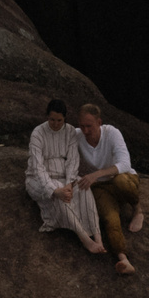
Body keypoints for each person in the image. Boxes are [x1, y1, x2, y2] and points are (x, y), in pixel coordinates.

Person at [24, 97, 104, 254]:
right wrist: (54, 190)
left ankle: (97, 235)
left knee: (83, 186)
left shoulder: (70, 132)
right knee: (60, 195)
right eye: (52, 119)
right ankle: (84, 238)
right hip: (38, 178)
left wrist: (69, 183)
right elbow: (37, 165)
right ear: (47, 117)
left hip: (63, 175)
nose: (55, 124)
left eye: (59, 120)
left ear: (65, 118)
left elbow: (73, 160)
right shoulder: (38, 133)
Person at [75, 103, 142, 275]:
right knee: (110, 219)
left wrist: (96, 174)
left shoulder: (111, 133)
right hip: (100, 188)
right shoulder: (76, 135)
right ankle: (124, 260)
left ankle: (137, 209)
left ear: (99, 122)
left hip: (120, 178)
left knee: (122, 182)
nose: (85, 130)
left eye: (89, 126)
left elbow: (125, 164)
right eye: (82, 125)